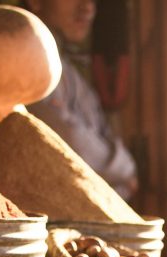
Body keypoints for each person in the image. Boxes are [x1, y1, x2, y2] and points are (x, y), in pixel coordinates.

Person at [25, 0, 138, 199]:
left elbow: (101, 129)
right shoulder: (26, 59)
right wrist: (124, 169)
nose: (87, 7)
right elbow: (66, 138)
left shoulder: (69, 71)